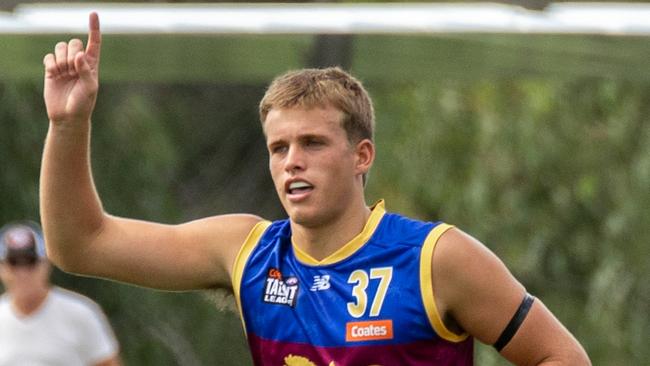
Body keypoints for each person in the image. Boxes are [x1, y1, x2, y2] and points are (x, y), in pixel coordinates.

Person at [39, 12, 591, 366]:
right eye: (279, 148)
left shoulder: (435, 258)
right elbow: (80, 244)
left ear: (361, 156)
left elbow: (562, 358)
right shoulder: (246, 251)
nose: (292, 163)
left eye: (313, 144)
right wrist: (68, 126)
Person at [0, 221, 121, 366]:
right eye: (14, 263)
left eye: (30, 262)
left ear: (46, 264)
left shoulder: (80, 313)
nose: (23, 273)